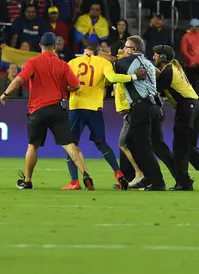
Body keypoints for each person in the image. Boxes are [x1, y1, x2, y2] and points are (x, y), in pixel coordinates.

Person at [0, 32, 96, 190]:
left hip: (37, 110)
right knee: (70, 145)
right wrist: (64, 89)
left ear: (40, 46)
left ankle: (28, 181)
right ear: (55, 46)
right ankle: (85, 174)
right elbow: (76, 85)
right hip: (58, 109)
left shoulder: (33, 62)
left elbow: (19, 80)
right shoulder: (63, 64)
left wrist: (6, 94)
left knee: (33, 146)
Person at [62, 42, 145, 190]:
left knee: (71, 145)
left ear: (84, 51)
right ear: (98, 52)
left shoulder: (73, 62)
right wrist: (133, 77)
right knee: (101, 143)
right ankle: (118, 172)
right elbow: (112, 78)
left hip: (76, 107)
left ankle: (74, 181)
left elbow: (65, 83)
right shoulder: (103, 63)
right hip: (94, 109)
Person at [153, 45, 199, 190]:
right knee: (187, 147)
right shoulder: (174, 67)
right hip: (193, 105)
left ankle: (184, 183)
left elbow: (157, 90)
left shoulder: (168, 71)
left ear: (164, 57)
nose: (154, 57)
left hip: (186, 107)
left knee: (180, 148)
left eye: (156, 55)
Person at [113, 36, 166, 191]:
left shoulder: (128, 61)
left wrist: (94, 55)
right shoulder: (148, 63)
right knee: (131, 141)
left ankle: (157, 182)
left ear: (134, 50)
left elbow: (110, 66)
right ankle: (148, 177)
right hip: (154, 105)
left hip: (141, 107)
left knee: (143, 146)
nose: (123, 50)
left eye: (126, 47)